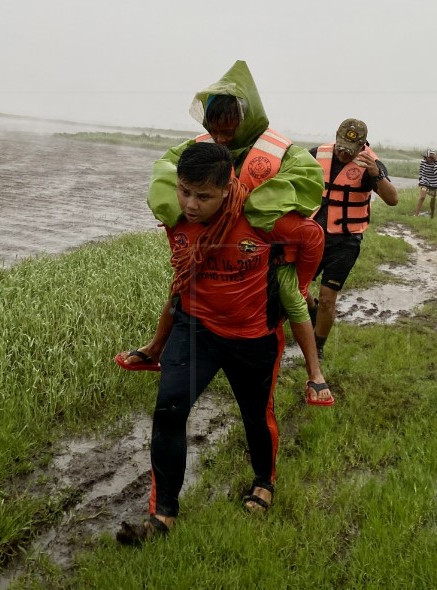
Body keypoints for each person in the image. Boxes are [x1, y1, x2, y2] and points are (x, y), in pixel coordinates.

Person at [115, 143, 328, 545]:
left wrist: (296, 286)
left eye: (203, 196)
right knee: (169, 409)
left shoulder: (264, 220)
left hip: (253, 337)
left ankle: (263, 482)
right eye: (184, 191)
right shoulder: (177, 219)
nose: (191, 204)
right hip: (195, 329)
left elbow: (313, 237)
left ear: (228, 189)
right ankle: (163, 513)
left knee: (255, 416)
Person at [118, 60, 333, 407]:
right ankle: (154, 348)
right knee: (181, 286)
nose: (220, 138)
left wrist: (255, 205)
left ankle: (315, 373)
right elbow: (165, 170)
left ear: (246, 122)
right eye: (214, 129)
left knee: (292, 296)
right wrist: (178, 209)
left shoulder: (282, 151)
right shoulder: (200, 146)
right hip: (211, 248)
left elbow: (308, 182)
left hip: (263, 251)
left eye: (228, 131)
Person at [306, 119, 399, 360]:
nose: (343, 153)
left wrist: (376, 174)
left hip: (345, 242)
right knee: (297, 289)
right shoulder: (317, 154)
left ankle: (317, 347)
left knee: (328, 298)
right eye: (341, 146)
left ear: (361, 146)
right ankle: (311, 309)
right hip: (313, 235)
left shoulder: (372, 165)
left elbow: (393, 199)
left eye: (350, 149)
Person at [415, 149, 437, 218]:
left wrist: (436, 164)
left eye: (432, 158)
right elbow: (421, 171)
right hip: (425, 181)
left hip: (434, 183)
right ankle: (416, 215)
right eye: (429, 157)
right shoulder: (423, 162)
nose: (430, 159)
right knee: (422, 197)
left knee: (432, 201)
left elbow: (436, 172)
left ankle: (432, 215)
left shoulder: (436, 164)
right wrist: (421, 180)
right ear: (426, 156)